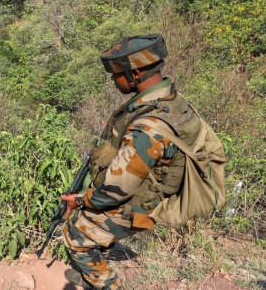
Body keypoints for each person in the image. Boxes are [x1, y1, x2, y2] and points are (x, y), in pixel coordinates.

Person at [60, 34, 223, 289]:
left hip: (141, 205)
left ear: (135, 74)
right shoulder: (170, 100)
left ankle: (104, 282)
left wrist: (80, 200)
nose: (114, 80)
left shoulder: (148, 127)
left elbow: (115, 191)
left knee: (75, 235)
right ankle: (94, 265)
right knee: (90, 222)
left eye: (116, 75)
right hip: (153, 191)